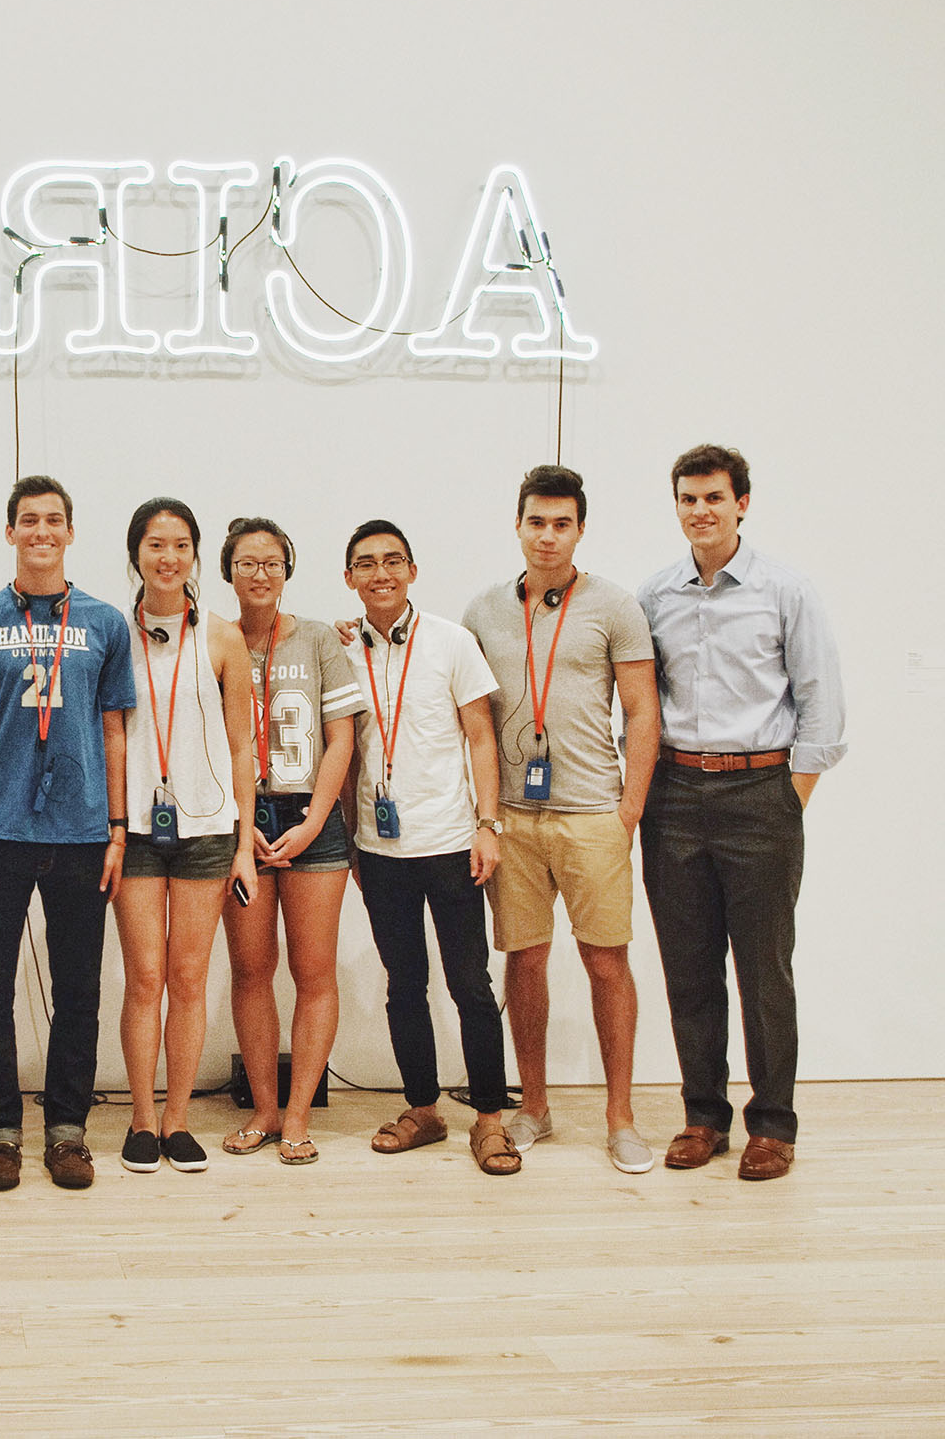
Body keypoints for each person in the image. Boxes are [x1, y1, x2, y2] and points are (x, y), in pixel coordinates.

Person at [637, 445, 844, 1181]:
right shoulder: (655, 594)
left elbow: (822, 704)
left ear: (742, 504)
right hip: (675, 794)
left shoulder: (785, 589)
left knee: (764, 971)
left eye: (714, 499)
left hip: (761, 796)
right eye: (689, 499)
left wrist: (789, 799)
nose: (701, 511)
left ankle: (773, 1125)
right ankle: (703, 1118)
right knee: (688, 969)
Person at [461, 465, 661, 1173]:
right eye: (536, 521)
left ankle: (621, 1117)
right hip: (512, 817)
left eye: (561, 523)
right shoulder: (484, 610)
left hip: (591, 815)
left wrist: (628, 808)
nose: (547, 535)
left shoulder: (615, 605)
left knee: (607, 960)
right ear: (517, 525)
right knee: (525, 959)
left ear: (580, 529)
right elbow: (469, 714)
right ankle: (535, 1107)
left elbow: (642, 712)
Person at [0, 476, 136, 1192]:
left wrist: (117, 827)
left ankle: (67, 1131)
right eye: (28, 521)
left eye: (54, 520)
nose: (41, 532)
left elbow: (115, 730)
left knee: (79, 988)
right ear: (10, 532)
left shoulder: (104, 621)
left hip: (82, 828)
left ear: (70, 532)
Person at [340, 520, 518, 1175]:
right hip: (378, 851)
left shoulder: (452, 642)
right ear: (350, 578)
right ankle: (424, 1110)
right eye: (366, 563)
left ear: (412, 571)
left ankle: (492, 1121)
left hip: (450, 844)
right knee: (403, 985)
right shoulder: (343, 651)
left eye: (393, 561)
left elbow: (481, 737)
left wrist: (488, 824)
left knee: (470, 984)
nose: (380, 572)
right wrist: (354, 841)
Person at [112, 500, 257, 1175]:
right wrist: (111, 829)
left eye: (179, 545)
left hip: (206, 828)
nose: (167, 557)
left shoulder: (222, 638)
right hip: (137, 829)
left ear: (196, 554)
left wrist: (245, 840)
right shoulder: (115, 632)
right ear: (135, 553)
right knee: (145, 977)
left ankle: (178, 1120)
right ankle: (142, 1120)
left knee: (189, 976)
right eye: (154, 544)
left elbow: (241, 745)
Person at [213, 518, 362, 1165]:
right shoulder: (212, 641)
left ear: (288, 569)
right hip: (241, 822)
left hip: (312, 820)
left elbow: (343, 740)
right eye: (247, 563)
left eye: (272, 562)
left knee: (313, 970)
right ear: (228, 571)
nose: (260, 574)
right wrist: (245, 831)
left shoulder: (324, 639)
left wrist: (312, 820)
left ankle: (298, 1115)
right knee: (251, 971)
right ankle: (265, 1109)